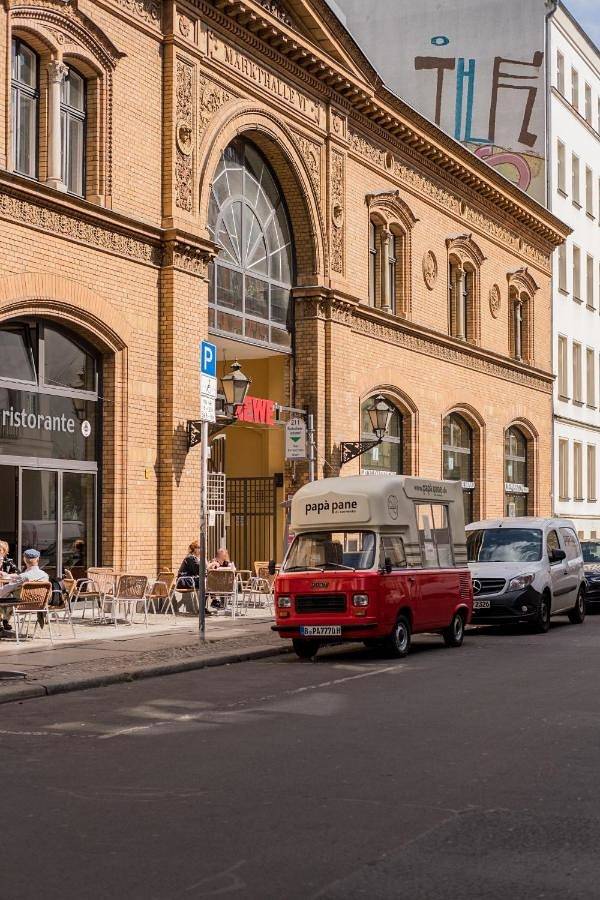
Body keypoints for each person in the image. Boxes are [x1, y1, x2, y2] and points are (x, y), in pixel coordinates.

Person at [0, 548, 49, 632]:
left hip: (20, 605)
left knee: (5, 597)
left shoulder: (23, 577)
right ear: (38, 559)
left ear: (24, 560)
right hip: (38, 605)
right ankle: (5, 621)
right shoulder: (45, 576)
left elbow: (5, 590)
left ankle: (3, 621)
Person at [177, 541, 214, 616]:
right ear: (194, 549)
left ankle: (204, 606)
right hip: (184, 581)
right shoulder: (190, 558)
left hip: (191, 580)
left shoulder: (197, 558)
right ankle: (208, 603)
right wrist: (209, 565)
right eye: (199, 548)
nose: (201, 550)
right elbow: (198, 570)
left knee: (208, 581)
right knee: (206, 582)